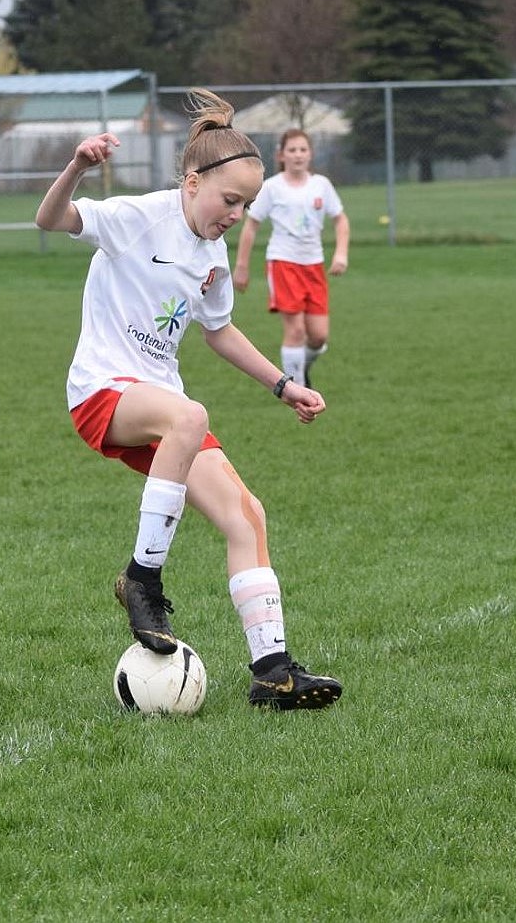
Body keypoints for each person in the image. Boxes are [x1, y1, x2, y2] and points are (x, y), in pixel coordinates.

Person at [35, 89, 342, 712]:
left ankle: (273, 672)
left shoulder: (213, 255)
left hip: (163, 413)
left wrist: (283, 386)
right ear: (193, 180)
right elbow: (50, 220)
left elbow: (220, 332)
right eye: (230, 200)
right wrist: (76, 169)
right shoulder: (137, 217)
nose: (236, 214)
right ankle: (142, 580)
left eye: (247, 205)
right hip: (103, 393)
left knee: (246, 515)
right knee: (190, 413)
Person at [233, 128, 350, 388]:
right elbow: (251, 226)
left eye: (303, 150)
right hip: (283, 263)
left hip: (314, 265)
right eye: (292, 150)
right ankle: (295, 390)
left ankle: (302, 369)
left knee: (318, 337)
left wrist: (341, 253)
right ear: (281, 155)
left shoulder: (321, 185)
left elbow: (340, 220)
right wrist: (241, 266)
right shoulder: (272, 187)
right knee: (295, 330)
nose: (298, 155)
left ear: (310, 154)